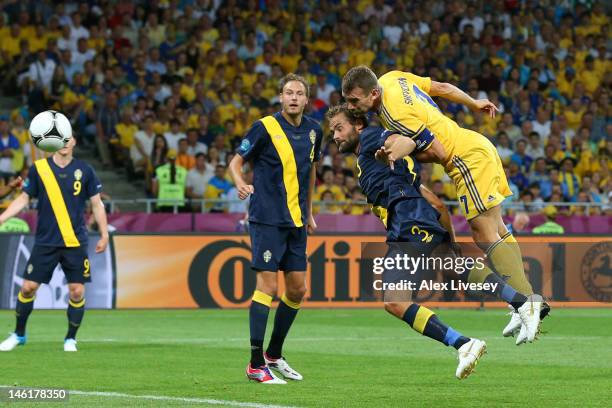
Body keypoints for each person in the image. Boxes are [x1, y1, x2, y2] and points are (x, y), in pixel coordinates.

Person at [328, 104, 539, 378]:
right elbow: (437, 203)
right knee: (449, 269)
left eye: (339, 128)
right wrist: (450, 241)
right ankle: (514, 307)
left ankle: (468, 340)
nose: (335, 136)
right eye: (332, 131)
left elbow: (399, 140)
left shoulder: (371, 138)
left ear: (357, 124)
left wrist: (396, 145)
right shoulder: (372, 164)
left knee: (395, 300)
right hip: (417, 217)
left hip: (408, 221)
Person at [229, 73, 322, 384]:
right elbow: (235, 162)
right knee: (267, 288)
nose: (293, 97)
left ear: (307, 100)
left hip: (296, 221)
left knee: (298, 289)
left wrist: (308, 212)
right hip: (267, 218)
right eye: (288, 92)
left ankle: (273, 354)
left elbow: (310, 172)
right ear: (281, 98)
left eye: (299, 93)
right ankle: (255, 364)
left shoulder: (314, 131)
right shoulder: (264, 127)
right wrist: (241, 183)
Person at [0, 135, 109, 352]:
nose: (66, 142)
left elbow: (97, 204)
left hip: (75, 241)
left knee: (77, 291)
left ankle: (70, 339)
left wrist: (104, 234)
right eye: (62, 139)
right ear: (55, 143)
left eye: (70, 138)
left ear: (75, 142)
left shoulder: (85, 170)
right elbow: (23, 199)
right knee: (28, 288)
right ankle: (19, 334)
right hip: (46, 241)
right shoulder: (40, 168)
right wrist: (2, 217)